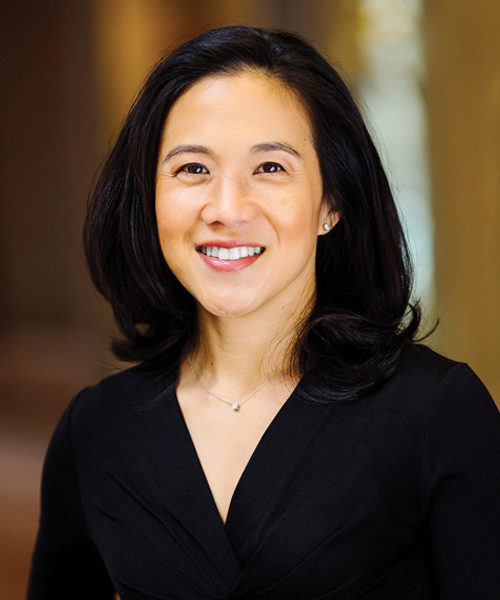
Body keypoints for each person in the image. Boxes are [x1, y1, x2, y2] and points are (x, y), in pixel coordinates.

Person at [27, 25, 500, 600]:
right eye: (192, 169)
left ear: (332, 202)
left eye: (271, 167)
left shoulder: (437, 413)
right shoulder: (97, 428)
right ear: (148, 201)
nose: (227, 208)